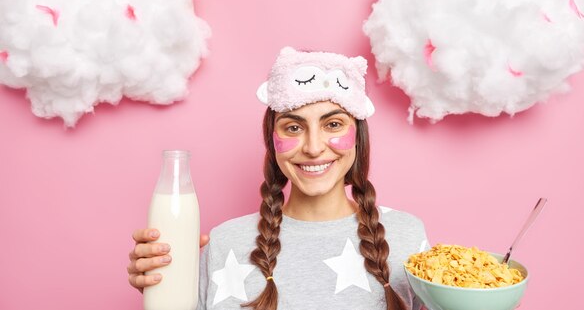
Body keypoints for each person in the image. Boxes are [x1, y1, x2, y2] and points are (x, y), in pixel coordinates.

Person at [128, 47, 430, 309]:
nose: (313, 148)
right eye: (293, 128)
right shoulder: (224, 245)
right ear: (272, 140)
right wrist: (162, 288)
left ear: (357, 137)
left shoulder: (406, 239)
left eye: (333, 124)